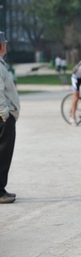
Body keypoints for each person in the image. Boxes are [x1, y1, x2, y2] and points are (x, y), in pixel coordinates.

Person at [0, 31, 20, 204]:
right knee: (3, 154)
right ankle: (0, 192)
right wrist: (5, 114)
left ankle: (1, 189)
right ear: (2, 45)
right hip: (3, 118)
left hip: (3, 116)